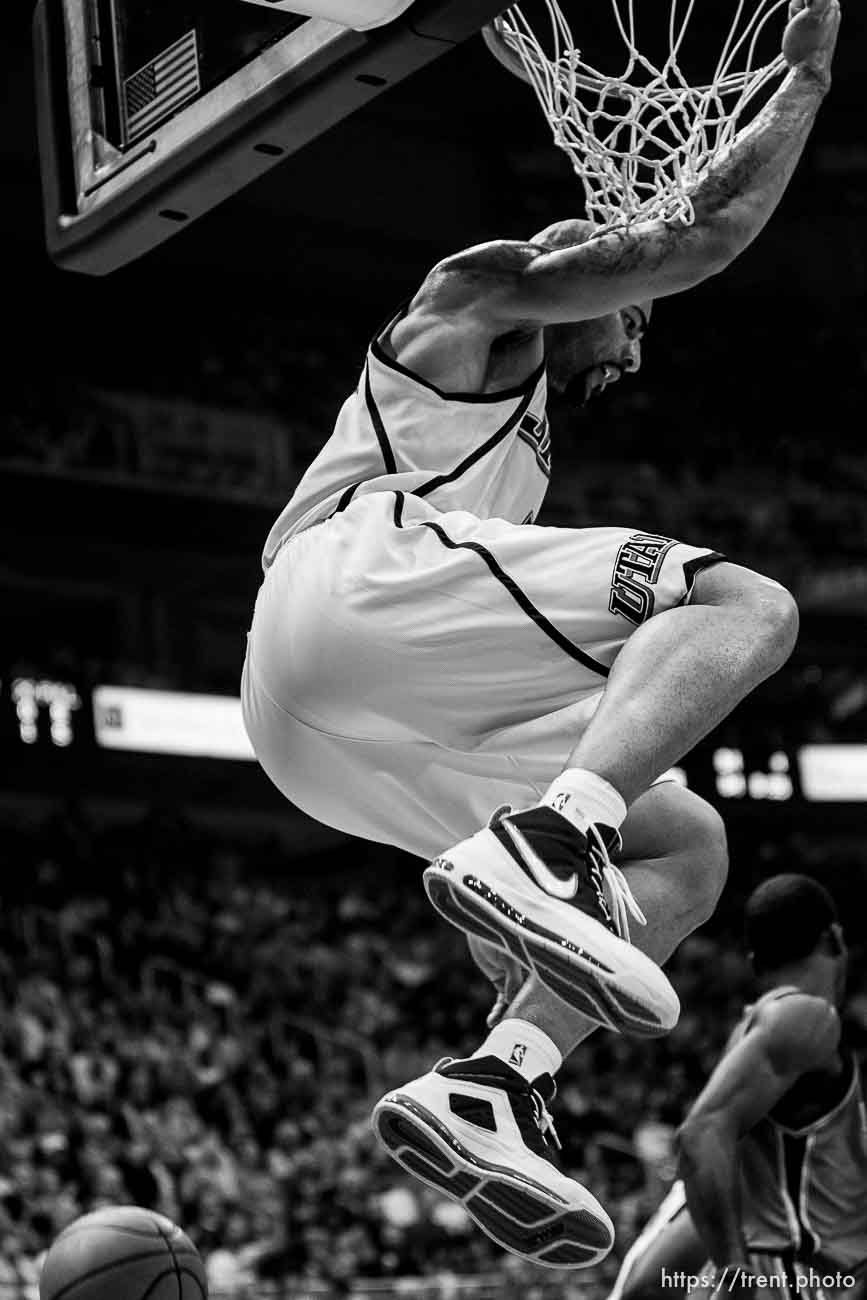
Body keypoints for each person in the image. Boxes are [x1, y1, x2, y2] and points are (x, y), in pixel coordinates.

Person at [241, 0, 839, 1268]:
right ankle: (559, 831)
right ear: (587, 269)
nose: (633, 347)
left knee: (687, 843)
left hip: (321, 740)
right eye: (631, 315)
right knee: (748, 606)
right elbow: (702, 233)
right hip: (349, 592)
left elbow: (634, 243)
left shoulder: (516, 436)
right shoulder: (467, 303)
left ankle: (496, 1082)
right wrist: (803, 82)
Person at [609, 874, 867, 1300]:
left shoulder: (754, 1040)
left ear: (753, 961)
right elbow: (701, 1134)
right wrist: (733, 1268)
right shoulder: (806, 1016)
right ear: (834, 937)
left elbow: (647, 1283)